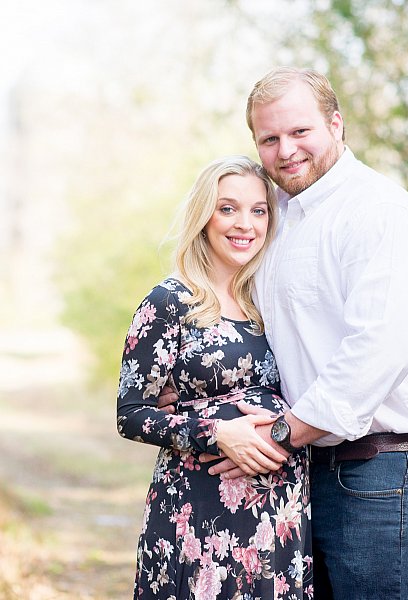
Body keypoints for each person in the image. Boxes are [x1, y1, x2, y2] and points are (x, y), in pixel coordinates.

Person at [160, 67, 408, 599]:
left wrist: (280, 434)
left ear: (336, 125)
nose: (286, 150)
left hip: (383, 472)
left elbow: (383, 347)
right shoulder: (278, 217)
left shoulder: (379, 213)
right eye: (269, 138)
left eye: (300, 132)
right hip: (300, 475)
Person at [117, 155, 313, 600]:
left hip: (279, 518)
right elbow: (131, 414)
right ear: (203, 216)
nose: (245, 223)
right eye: (228, 208)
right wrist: (217, 433)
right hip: (198, 512)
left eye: (258, 210)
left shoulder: (270, 299)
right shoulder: (170, 302)